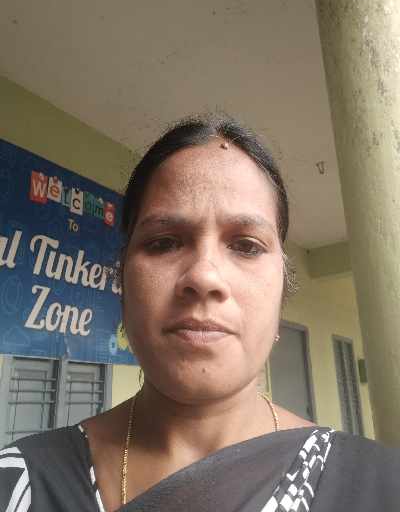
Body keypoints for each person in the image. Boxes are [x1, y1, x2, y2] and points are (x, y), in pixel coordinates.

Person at [0, 114, 399, 512]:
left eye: (246, 245)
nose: (204, 277)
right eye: (163, 242)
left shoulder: (378, 486)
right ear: (122, 279)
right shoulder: (19, 485)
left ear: (283, 289)